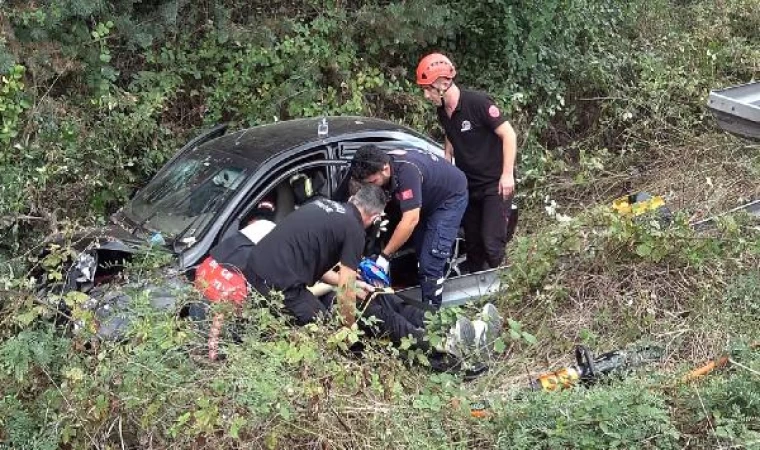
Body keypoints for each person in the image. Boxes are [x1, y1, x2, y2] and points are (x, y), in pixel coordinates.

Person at [416, 52, 519, 271]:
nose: (426, 95)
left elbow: (509, 134)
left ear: (443, 84)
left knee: (492, 244)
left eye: (428, 89)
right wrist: (446, 160)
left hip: (495, 185)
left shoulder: (478, 103)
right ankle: (475, 295)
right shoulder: (443, 112)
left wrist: (507, 175)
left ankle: (500, 290)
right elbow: (451, 133)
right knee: (473, 247)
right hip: (468, 187)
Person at [349, 144, 468, 309]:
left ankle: (432, 316)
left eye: (374, 182)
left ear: (385, 169)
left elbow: (410, 219)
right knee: (421, 251)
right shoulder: (378, 164)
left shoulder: (407, 172)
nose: (373, 188)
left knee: (431, 260)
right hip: (424, 200)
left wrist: (384, 256)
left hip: (448, 199)